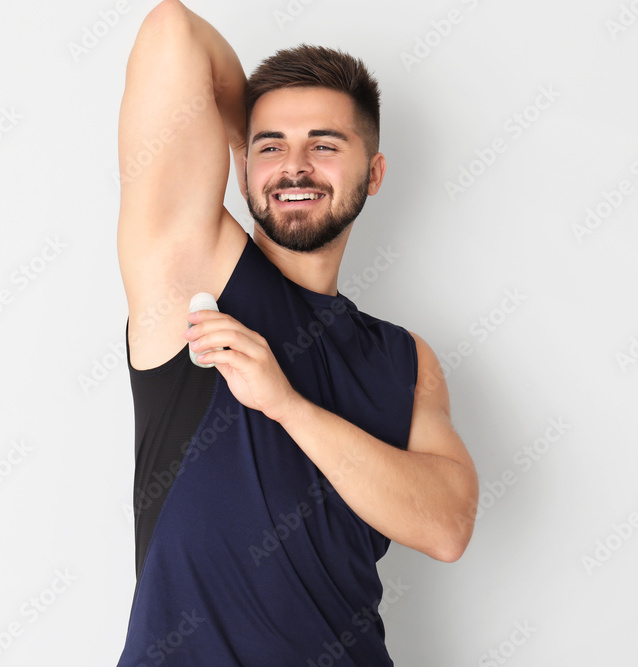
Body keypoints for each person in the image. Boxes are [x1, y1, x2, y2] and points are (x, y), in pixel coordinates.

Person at [115, 1, 479, 663]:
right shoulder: (196, 269)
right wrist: (243, 142)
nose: (295, 165)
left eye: (324, 145)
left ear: (373, 173)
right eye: (271, 147)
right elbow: (171, 29)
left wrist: (287, 405)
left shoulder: (404, 358)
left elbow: (448, 525)